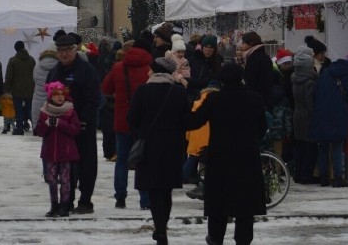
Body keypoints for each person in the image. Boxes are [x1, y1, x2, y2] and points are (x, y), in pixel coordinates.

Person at [187, 63, 267, 245]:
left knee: (219, 205)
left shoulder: (214, 99)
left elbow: (194, 121)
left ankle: (215, 238)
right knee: (245, 207)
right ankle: (243, 240)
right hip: (247, 158)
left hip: (220, 157)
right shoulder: (254, 99)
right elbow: (262, 127)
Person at [127, 57, 190, 245]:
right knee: (166, 189)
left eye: (150, 69)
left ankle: (160, 228)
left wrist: (141, 134)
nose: (147, 72)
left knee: (154, 190)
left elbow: (132, 119)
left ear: (155, 71)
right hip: (173, 147)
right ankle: (162, 227)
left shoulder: (143, 91)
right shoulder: (178, 92)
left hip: (149, 146)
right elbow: (186, 120)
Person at [46, 32, 101, 214]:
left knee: (86, 163)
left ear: (75, 49)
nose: (64, 54)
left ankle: (85, 200)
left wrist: (83, 120)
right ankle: (65, 201)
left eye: (68, 50)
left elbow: (93, 99)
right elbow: (48, 98)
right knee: (65, 165)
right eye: (60, 50)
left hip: (82, 126)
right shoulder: (54, 72)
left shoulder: (86, 70)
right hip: (61, 128)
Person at [101, 38, 152, 210]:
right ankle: (145, 200)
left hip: (122, 119)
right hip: (144, 122)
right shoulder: (149, 69)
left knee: (121, 160)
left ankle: (120, 198)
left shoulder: (118, 67)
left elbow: (106, 89)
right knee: (143, 161)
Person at [310, 52, 348, 188]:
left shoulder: (326, 72)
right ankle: (338, 178)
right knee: (337, 146)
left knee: (323, 146)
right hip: (339, 113)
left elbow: (315, 92)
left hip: (321, 112)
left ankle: (323, 178)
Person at [36, 81, 82, 218]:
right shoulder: (44, 112)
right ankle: (54, 205)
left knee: (66, 180)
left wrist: (60, 123)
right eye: (56, 95)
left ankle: (64, 205)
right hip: (50, 152)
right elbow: (39, 131)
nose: (60, 97)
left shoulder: (70, 111)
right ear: (50, 96)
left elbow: (75, 129)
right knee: (51, 180)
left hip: (66, 152)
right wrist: (46, 124)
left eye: (62, 94)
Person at [291, 46, 319, 184]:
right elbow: (310, 104)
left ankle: (298, 174)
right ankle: (306, 175)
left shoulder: (294, 79)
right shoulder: (310, 83)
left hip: (297, 116)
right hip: (307, 118)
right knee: (310, 147)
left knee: (300, 147)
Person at [4, 40, 36, 135]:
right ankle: (35, 127)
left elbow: (8, 76)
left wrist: (6, 89)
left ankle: (19, 128)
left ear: (15, 49)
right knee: (30, 109)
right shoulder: (31, 60)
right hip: (30, 89)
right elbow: (35, 74)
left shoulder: (12, 60)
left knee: (18, 109)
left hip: (17, 90)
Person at [240, 31, 274, 108]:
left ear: (251, 43)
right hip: (264, 97)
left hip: (257, 99)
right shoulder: (262, 55)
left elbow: (250, 80)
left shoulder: (254, 58)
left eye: (243, 43)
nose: (242, 46)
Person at [186, 34, 222, 102]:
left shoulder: (217, 62)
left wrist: (189, 81)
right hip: (191, 95)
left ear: (214, 49)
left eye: (211, 47)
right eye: (206, 46)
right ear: (202, 47)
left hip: (208, 97)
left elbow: (211, 80)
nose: (208, 49)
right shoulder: (193, 59)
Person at [31, 45, 59, 126]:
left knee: (39, 124)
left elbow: (35, 80)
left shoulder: (37, 66)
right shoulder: (59, 66)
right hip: (53, 101)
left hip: (37, 99)